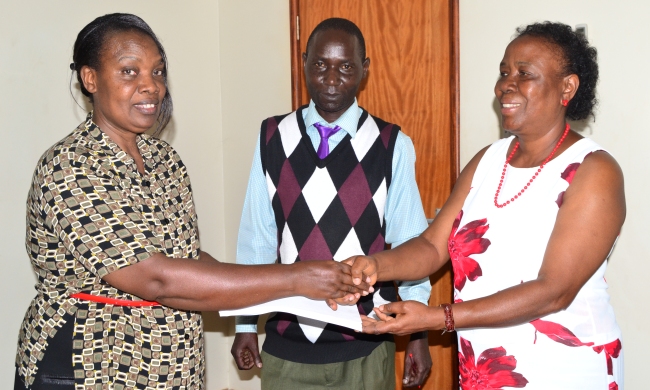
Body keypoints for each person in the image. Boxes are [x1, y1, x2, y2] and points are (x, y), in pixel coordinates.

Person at [14, 13, 370, 389]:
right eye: (129, 72)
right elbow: (156, 278)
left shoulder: (164, 161)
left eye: (157, 72)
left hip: (171, 370)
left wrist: (288, 295)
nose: (150, 86)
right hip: (90, 367)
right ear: (90, 79)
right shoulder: (69, 167)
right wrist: (299, 278)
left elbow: (188, 261)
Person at [349, 22, 625, 389]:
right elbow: (433, 245)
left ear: (567, 87)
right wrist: (374, 265)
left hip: (564, 369)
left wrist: (438, 318)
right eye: (504, 72)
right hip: (486, 368)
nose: (505, 85)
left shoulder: (595, 170)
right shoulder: (488, 160)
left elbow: (554, 289)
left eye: (524, 74)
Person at [231, 17, 433, 390]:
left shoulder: (391, 145)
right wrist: (245, 324)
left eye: (345, 67)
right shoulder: (273, 138)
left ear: (364, 70)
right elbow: (256, 241)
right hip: (287, 346)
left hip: (367, 344)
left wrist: (418, 333)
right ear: (305, 62)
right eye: (320, 65)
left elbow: (413, 245)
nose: (331, 78)